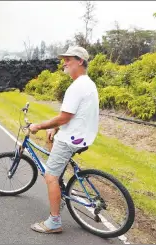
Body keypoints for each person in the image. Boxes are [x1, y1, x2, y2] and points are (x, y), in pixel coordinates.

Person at [28, 46, 99, 234]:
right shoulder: (87, 83)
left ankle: (54, 222)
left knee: (50, 176)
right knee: (54, 159)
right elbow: (73, 115)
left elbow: (64, 117)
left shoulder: (77, 86)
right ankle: (59, 192)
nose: (64, 63)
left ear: (80, 61)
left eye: (68, 59)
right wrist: (54, 127)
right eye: (64, 59)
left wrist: (39, 126)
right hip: (82, 136)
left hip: (71, 139)